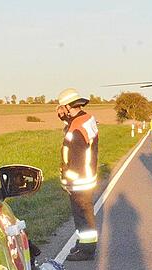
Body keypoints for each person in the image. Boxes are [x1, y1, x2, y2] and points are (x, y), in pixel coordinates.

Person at [57, 88, 99, 261]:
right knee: (83, 213)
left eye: (61, 107)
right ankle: (83, 242)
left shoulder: (75, 128)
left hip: (79, 178)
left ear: (68, 106)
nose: (59, 111)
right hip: (87, 175)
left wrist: (68, 180)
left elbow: (74, 158)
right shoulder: (86, 119)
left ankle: (87, 250)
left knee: (82, 213)